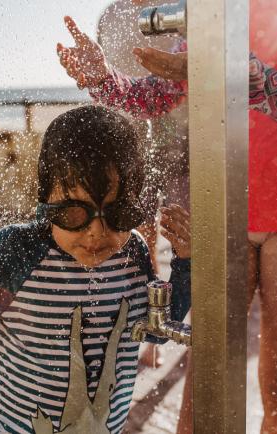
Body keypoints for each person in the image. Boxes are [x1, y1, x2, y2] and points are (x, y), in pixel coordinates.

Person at [55, 1, 277, 433]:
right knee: (204, 388)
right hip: (220, 207)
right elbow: (162, 94)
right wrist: (103, 79)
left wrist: (225, 67)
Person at [0, 106, 192, 433]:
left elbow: (155, 330)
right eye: (74, 213)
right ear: (46, 198)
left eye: (118, 213)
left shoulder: (132, 252)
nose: (97, 232)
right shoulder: (19, 251)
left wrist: (186, 265)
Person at [97, 0, 190, 369]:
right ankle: (151, 330)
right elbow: (107, 82)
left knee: (186, 236)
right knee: (142, 239)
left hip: (187, 139)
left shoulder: (182, 8)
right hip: (134, 141)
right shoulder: (109, 16)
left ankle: (184, 317)